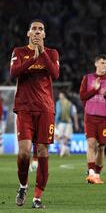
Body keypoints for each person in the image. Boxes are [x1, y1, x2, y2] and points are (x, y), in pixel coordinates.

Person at [10, 19, 59, 209]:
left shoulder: (52, 53)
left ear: (44, 35)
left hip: (45, 108)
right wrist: (32, 58)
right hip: (24, 108)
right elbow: (14, 73)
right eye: (34, 29)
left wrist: (43, 53)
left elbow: (54, 74)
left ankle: (37, 197)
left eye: (41, 29)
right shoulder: (19, 52)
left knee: (43, 151)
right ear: (28, 33)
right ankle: (23, 186)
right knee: (23, 153)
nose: (37, 32)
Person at [80, 54, 106, 184]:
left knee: (101, 147)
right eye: (102, 63)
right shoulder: (88, 78)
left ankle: (97, 173)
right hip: (90, 117)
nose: (104, 66)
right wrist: (94, 90)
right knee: (91, 144)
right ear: (96, 64)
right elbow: (82, 96)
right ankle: (91, 173)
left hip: (105, 119)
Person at [55, 91, 79, 156]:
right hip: (69, 122)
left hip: (61, 122)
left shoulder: (58, 103)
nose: (59, 97)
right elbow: (74, 114)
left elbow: (58, 113)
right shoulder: (70, 103)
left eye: (60, 95)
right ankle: (65, 150)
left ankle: (63, 149)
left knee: (57, 136)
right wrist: (76, 124)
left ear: (63, 96)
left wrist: (55, 122)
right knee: (66, 137)